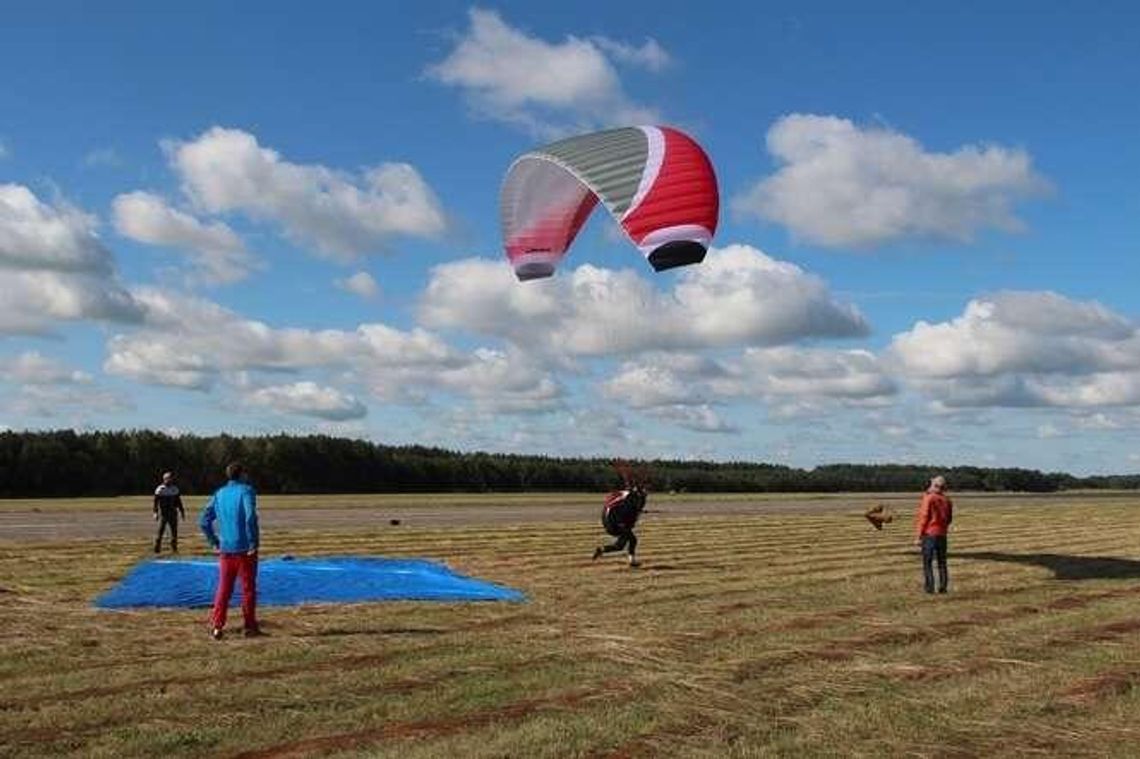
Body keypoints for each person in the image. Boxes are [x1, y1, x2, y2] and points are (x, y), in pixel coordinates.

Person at [199, 462, 260, 639]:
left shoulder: (219, 493)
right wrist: (253, 542)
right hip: (244, 549)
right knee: (248, 588)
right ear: (242, 474)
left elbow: (204, 521)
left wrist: (214, 541)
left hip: (226, 548)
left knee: (224, 588)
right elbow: (250, 516)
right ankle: (249, 626)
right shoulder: (246, 491)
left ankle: (217, 626)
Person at [592, 482, 648, 568]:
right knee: (633, 540)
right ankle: (632, 561)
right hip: (615, 523)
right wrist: (624, 522)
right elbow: (627, 512)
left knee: (619, 546)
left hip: (607, 522)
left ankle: (602, 549)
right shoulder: (630, 498)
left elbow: (615, 507)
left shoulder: (622, 494)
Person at [914, 475, 953, 594]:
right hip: (942, 534)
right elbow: (949, 519)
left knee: (928, 562)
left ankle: (929, 588)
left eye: (931, 484)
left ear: (935, 485)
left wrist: (918, 536)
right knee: (942, 562)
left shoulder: (929, 498)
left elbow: (924, 517)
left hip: (929, 534)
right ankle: (943, 587)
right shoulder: (947, 500)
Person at [153, 471, 186, 553]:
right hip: (164, 513)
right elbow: (155, 502)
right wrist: (155, 512)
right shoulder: (160, 489)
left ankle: (174, 548)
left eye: (171, 478)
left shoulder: (175, 489)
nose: (169, 480)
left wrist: (182, 512)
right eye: (167, 478)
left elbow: (179, 502)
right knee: (161, 531)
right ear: (164, 479)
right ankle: (157, 548)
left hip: (173, 513)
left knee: (174, 532)